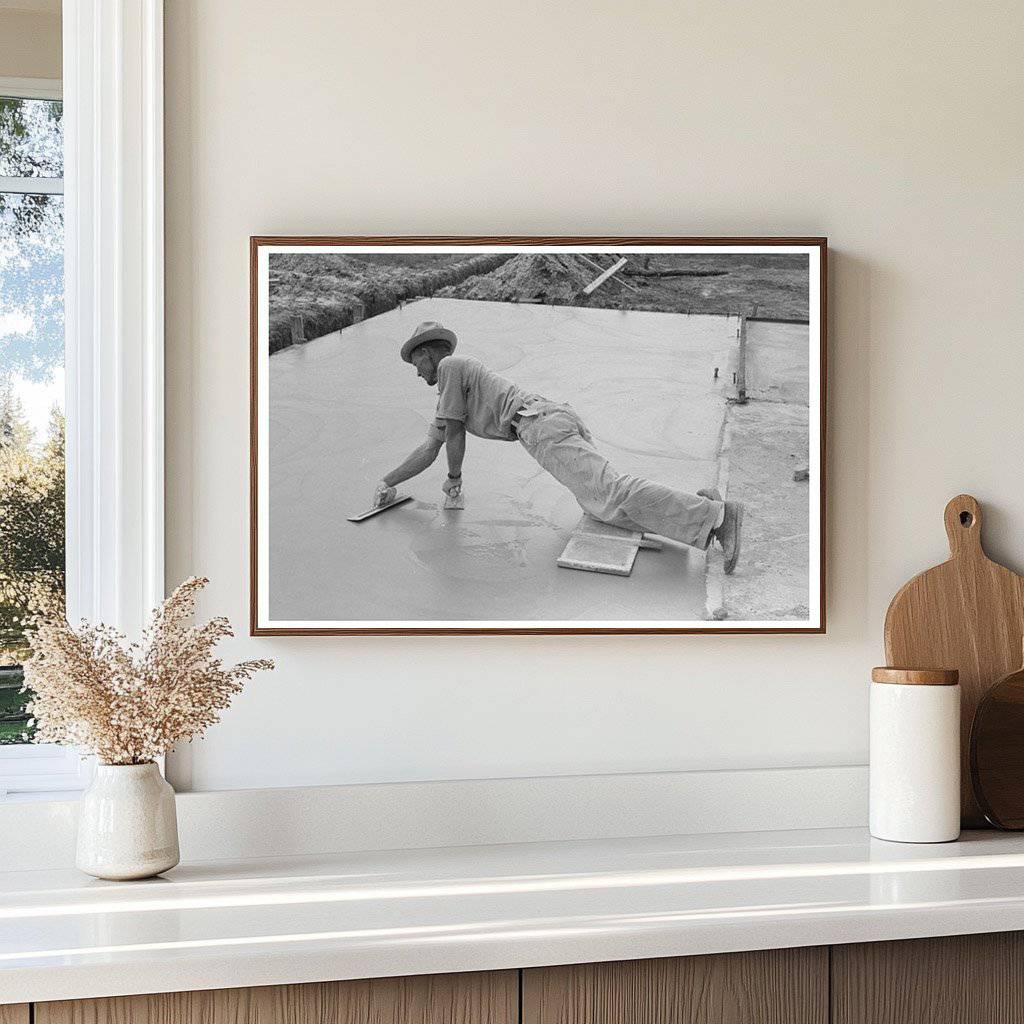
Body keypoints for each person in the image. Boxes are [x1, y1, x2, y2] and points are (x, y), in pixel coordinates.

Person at [372, 321, 744, 573]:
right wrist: (389, 481)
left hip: (540, 425)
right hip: (542, 424)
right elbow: (430, 446)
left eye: (415, 363)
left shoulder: (451, 366)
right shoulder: (449, 388)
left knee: (610, 493)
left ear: (426, 354)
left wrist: (454, 479)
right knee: (600, 506)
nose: (416, 371)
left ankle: (720, 516)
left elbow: (453, 436)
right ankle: (703, 515)